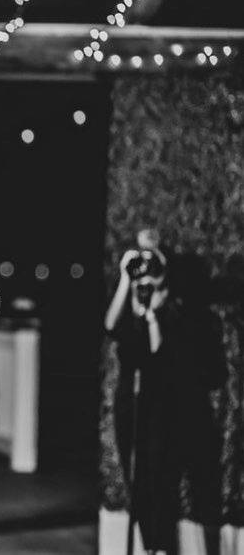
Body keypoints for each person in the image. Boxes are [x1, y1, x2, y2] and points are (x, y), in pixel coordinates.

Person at [104, 229, 221, 553]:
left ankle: (162, 547)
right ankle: (151, 547)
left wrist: (153, 314)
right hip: (133, 406)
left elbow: (163, 360)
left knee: (162, 483)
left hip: (164, 409)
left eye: (153, 260)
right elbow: (112, 326)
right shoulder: (134, 303)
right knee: (137, 483)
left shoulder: (179, 312)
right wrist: (127, 279)